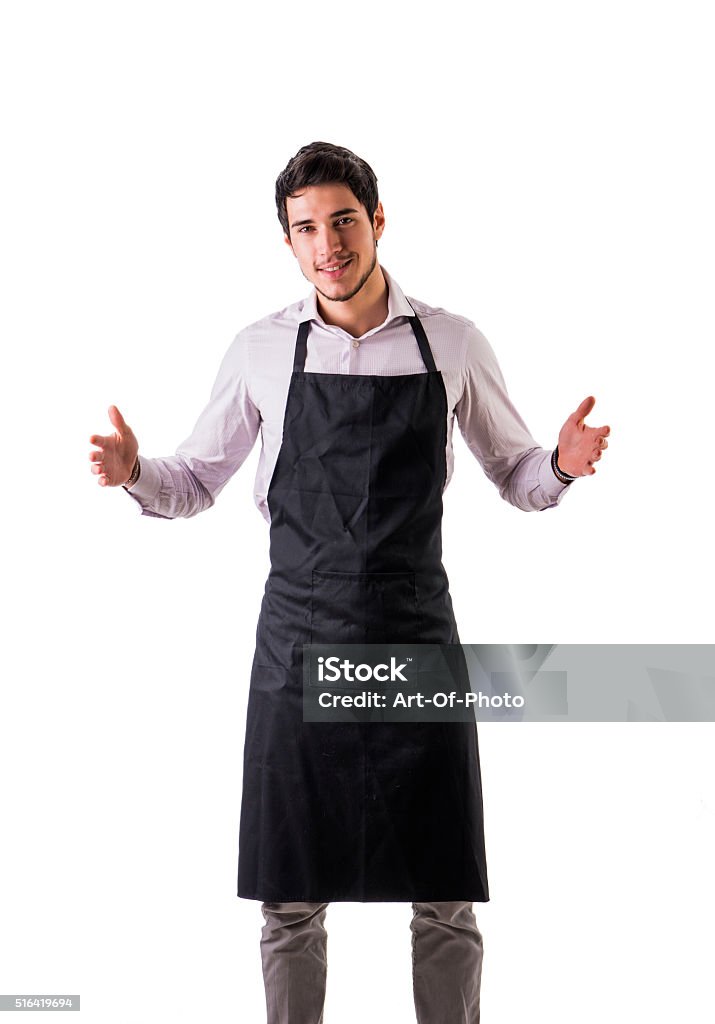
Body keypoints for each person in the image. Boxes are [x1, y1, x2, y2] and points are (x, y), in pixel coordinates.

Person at [89, 141, 610, 1024]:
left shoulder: (449, 341)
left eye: (341, 221)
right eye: (305, 229)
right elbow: (194, 486)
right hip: (299, 643)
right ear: (286, 243)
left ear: (376, 221)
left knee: (443, 892)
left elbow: (518, 477)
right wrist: (139, 470)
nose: (327, 244)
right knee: (289, 896)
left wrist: (556, 465)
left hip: (413, 637)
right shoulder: (260, 349)